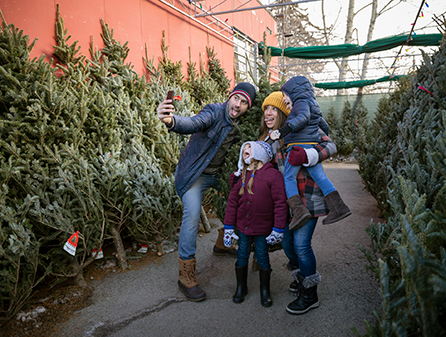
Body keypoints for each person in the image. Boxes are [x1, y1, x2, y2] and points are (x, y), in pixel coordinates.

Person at [156, 82, 256, 302]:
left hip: (220, 176)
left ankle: (222, 243)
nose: (238, 105)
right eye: (236, 98)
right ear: (230, 97)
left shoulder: (243, 125)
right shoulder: (213, 112)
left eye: (244, 103)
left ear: (248, 108)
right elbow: (193, 123)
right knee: (191, 217)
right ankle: (186, 275)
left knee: (244, 199)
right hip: (196, 174)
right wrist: (170, 120)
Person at [259, 91, 337, 315]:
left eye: (273, 108)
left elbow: (330, 146)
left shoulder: (308, 128)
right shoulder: (270, 139)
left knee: (302, 245)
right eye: (266, 109)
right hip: (287, 202)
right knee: (287, 244)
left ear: (285, 112)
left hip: (309, 198)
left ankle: (310, 294)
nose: (268, 113)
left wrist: (308, 155)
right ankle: (303, 276)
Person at [270, 76, 351, 230]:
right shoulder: (313, 104)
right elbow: (323, 124)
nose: (284, 99)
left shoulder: (300, 103)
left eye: (286, 95)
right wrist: (316, 136)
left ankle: (298, 211)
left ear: (295, 92)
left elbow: (303, 117)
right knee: (319, 176)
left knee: (289, 177)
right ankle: (338, 207)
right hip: (311, 145)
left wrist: (285, 130)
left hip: (297, 145)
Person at [223, 141, 288, 307]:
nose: (244, 150)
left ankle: (265, 291)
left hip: (263, 227)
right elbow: (232, 203)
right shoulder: (241, 175)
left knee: (262, 256)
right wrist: (229, 228)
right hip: (243, 227)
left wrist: (278, 229)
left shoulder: (273, 176)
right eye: (243, 149)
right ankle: (241, 287)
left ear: (260, 153)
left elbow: (280, 203)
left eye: (249, 148)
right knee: (242, 254)